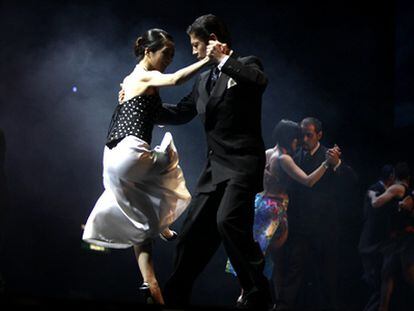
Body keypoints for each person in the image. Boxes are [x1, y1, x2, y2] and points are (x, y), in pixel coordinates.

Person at [134, 14, 271, 310]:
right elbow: (182, 112)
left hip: (242, 165)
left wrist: (224, 59)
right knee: (191, 235)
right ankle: (175, 298)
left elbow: (259, 82)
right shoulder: (203, 81)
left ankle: (257, 293)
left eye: (196, 45)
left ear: (212, 41)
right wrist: (141, 104)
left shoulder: (247, 64)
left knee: (228, 221)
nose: (193, 51)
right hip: (215, 170)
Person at [82, 28, 210, 305]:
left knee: (140, 223)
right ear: (149, 52)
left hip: (111, 161)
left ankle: (150, 285)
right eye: (166, 54)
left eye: (173, 55)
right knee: (168, 159)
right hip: (130, 152)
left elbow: (157, 110)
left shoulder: (128, 81)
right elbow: (175, 79)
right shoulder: (143, 74)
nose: (169, 60)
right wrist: (208, 61)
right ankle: (164, 225)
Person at [225, 120, 340, 305]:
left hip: (260, 204)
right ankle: (256, 297)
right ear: (290, 139)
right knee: (271, 258)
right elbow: (309, 181)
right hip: (274, 209)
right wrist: (326, 164)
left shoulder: (268, 153)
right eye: (296, 139)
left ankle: (252, 296)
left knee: (260, 254)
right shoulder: (283, 158)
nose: (299, 142)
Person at [276, 117, 343, 310]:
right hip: (300, 226)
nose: (304, 139)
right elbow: (303, 182)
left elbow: (350, 180)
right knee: (293, 272)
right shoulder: (293, 156)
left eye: (309, 135)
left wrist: (336, 164)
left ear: (319, 135)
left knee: (327, 277)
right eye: (302, 135)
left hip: (324, 227)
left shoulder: (329, 154)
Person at [368, 162, 413, 311]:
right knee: (387, 273)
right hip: (398, 239)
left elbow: (376, 203)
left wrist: (372, 194)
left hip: (404, 239)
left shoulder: (397, 188)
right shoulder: (408, 191)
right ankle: (383, 307)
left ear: (394, 175)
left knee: (408, 274)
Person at [359, 165, 395, 311]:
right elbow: (374, 210)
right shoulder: (375, 189)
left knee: (379, 282)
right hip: (371, 244)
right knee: (375, 282)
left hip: (377, 244)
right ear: (391, 176)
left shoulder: (382, 191)